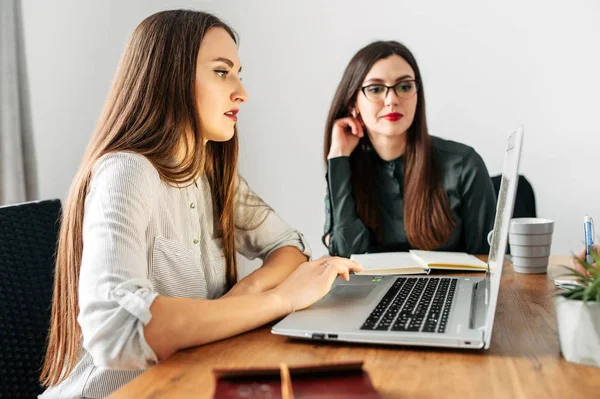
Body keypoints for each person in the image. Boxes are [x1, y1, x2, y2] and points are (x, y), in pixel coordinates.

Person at [39, 10, 361, 398]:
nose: (242, 92)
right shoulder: (126, 172)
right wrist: (282, 298)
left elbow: (289, 247)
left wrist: (242, 297)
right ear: (168, 78)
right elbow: (116, 329)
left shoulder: (212, 175)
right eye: (222, 72)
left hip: (188, 384)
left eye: (239, 73)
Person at [323, 40, 496, 258]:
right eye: (375, 89)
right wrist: (338, 158)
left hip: (448, 289)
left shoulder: (464, 164)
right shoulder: (346, 166)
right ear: (353, 104)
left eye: (404, 87)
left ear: (417, 94)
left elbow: (486, 262)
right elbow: (344, 255)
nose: (392, 100)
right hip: (373, 290)